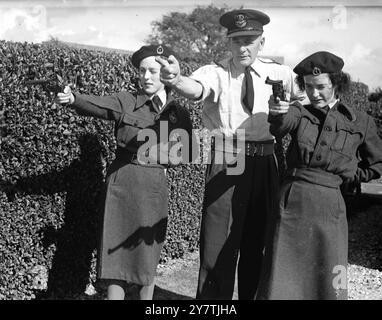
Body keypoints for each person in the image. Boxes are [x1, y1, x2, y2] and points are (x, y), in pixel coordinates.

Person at [156, 9, 305, 299]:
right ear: (229, 43)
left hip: (266, 160)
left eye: (250, 40)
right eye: (237, 41)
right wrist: (175, 79)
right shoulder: (216, 72)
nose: (243, 47)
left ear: (262, 41)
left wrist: (292, 111)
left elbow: (304, 103)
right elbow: (195, 88)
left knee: (258, 244)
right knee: (217, 242)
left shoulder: (281, 73)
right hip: (228, 158)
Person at [54, 44, 193, 300]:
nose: (147, 76)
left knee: (146, 254)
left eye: (153, 70)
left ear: (166, 73)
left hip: (152, 186)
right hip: (122, 182)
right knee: (115, 256)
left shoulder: (179, 113)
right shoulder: (126, 100)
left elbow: (186, 153)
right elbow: (98, 105)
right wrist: (73, 98)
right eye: (142, 71)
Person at [256, 51, 382, 300]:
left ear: (336, 84)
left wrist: (348, 175)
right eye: (309, 87)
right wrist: (277, 110)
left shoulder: (360, 122)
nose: (315, 93)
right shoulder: (299, 112)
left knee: (330, 278)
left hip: (330, 207)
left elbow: (377, 164)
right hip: (292, 203)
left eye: (321, 86)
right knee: (281, 276)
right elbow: (280, 125)